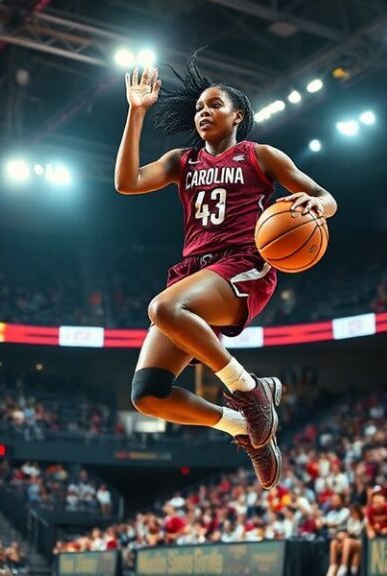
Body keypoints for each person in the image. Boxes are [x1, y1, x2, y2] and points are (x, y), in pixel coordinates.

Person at [114, 51, 336, 490]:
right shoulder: (183, 161)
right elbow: (127, 183)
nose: (203, 112)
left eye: (213, 105)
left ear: (238, 115)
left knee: (163, 308)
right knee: (148, 395)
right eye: (198, 108)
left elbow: (325, 196)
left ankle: (250, 389)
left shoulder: (260, 156)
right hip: (193, 276)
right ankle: (241, 425)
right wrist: (136, 113)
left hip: (242, 264)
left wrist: (319, 206)